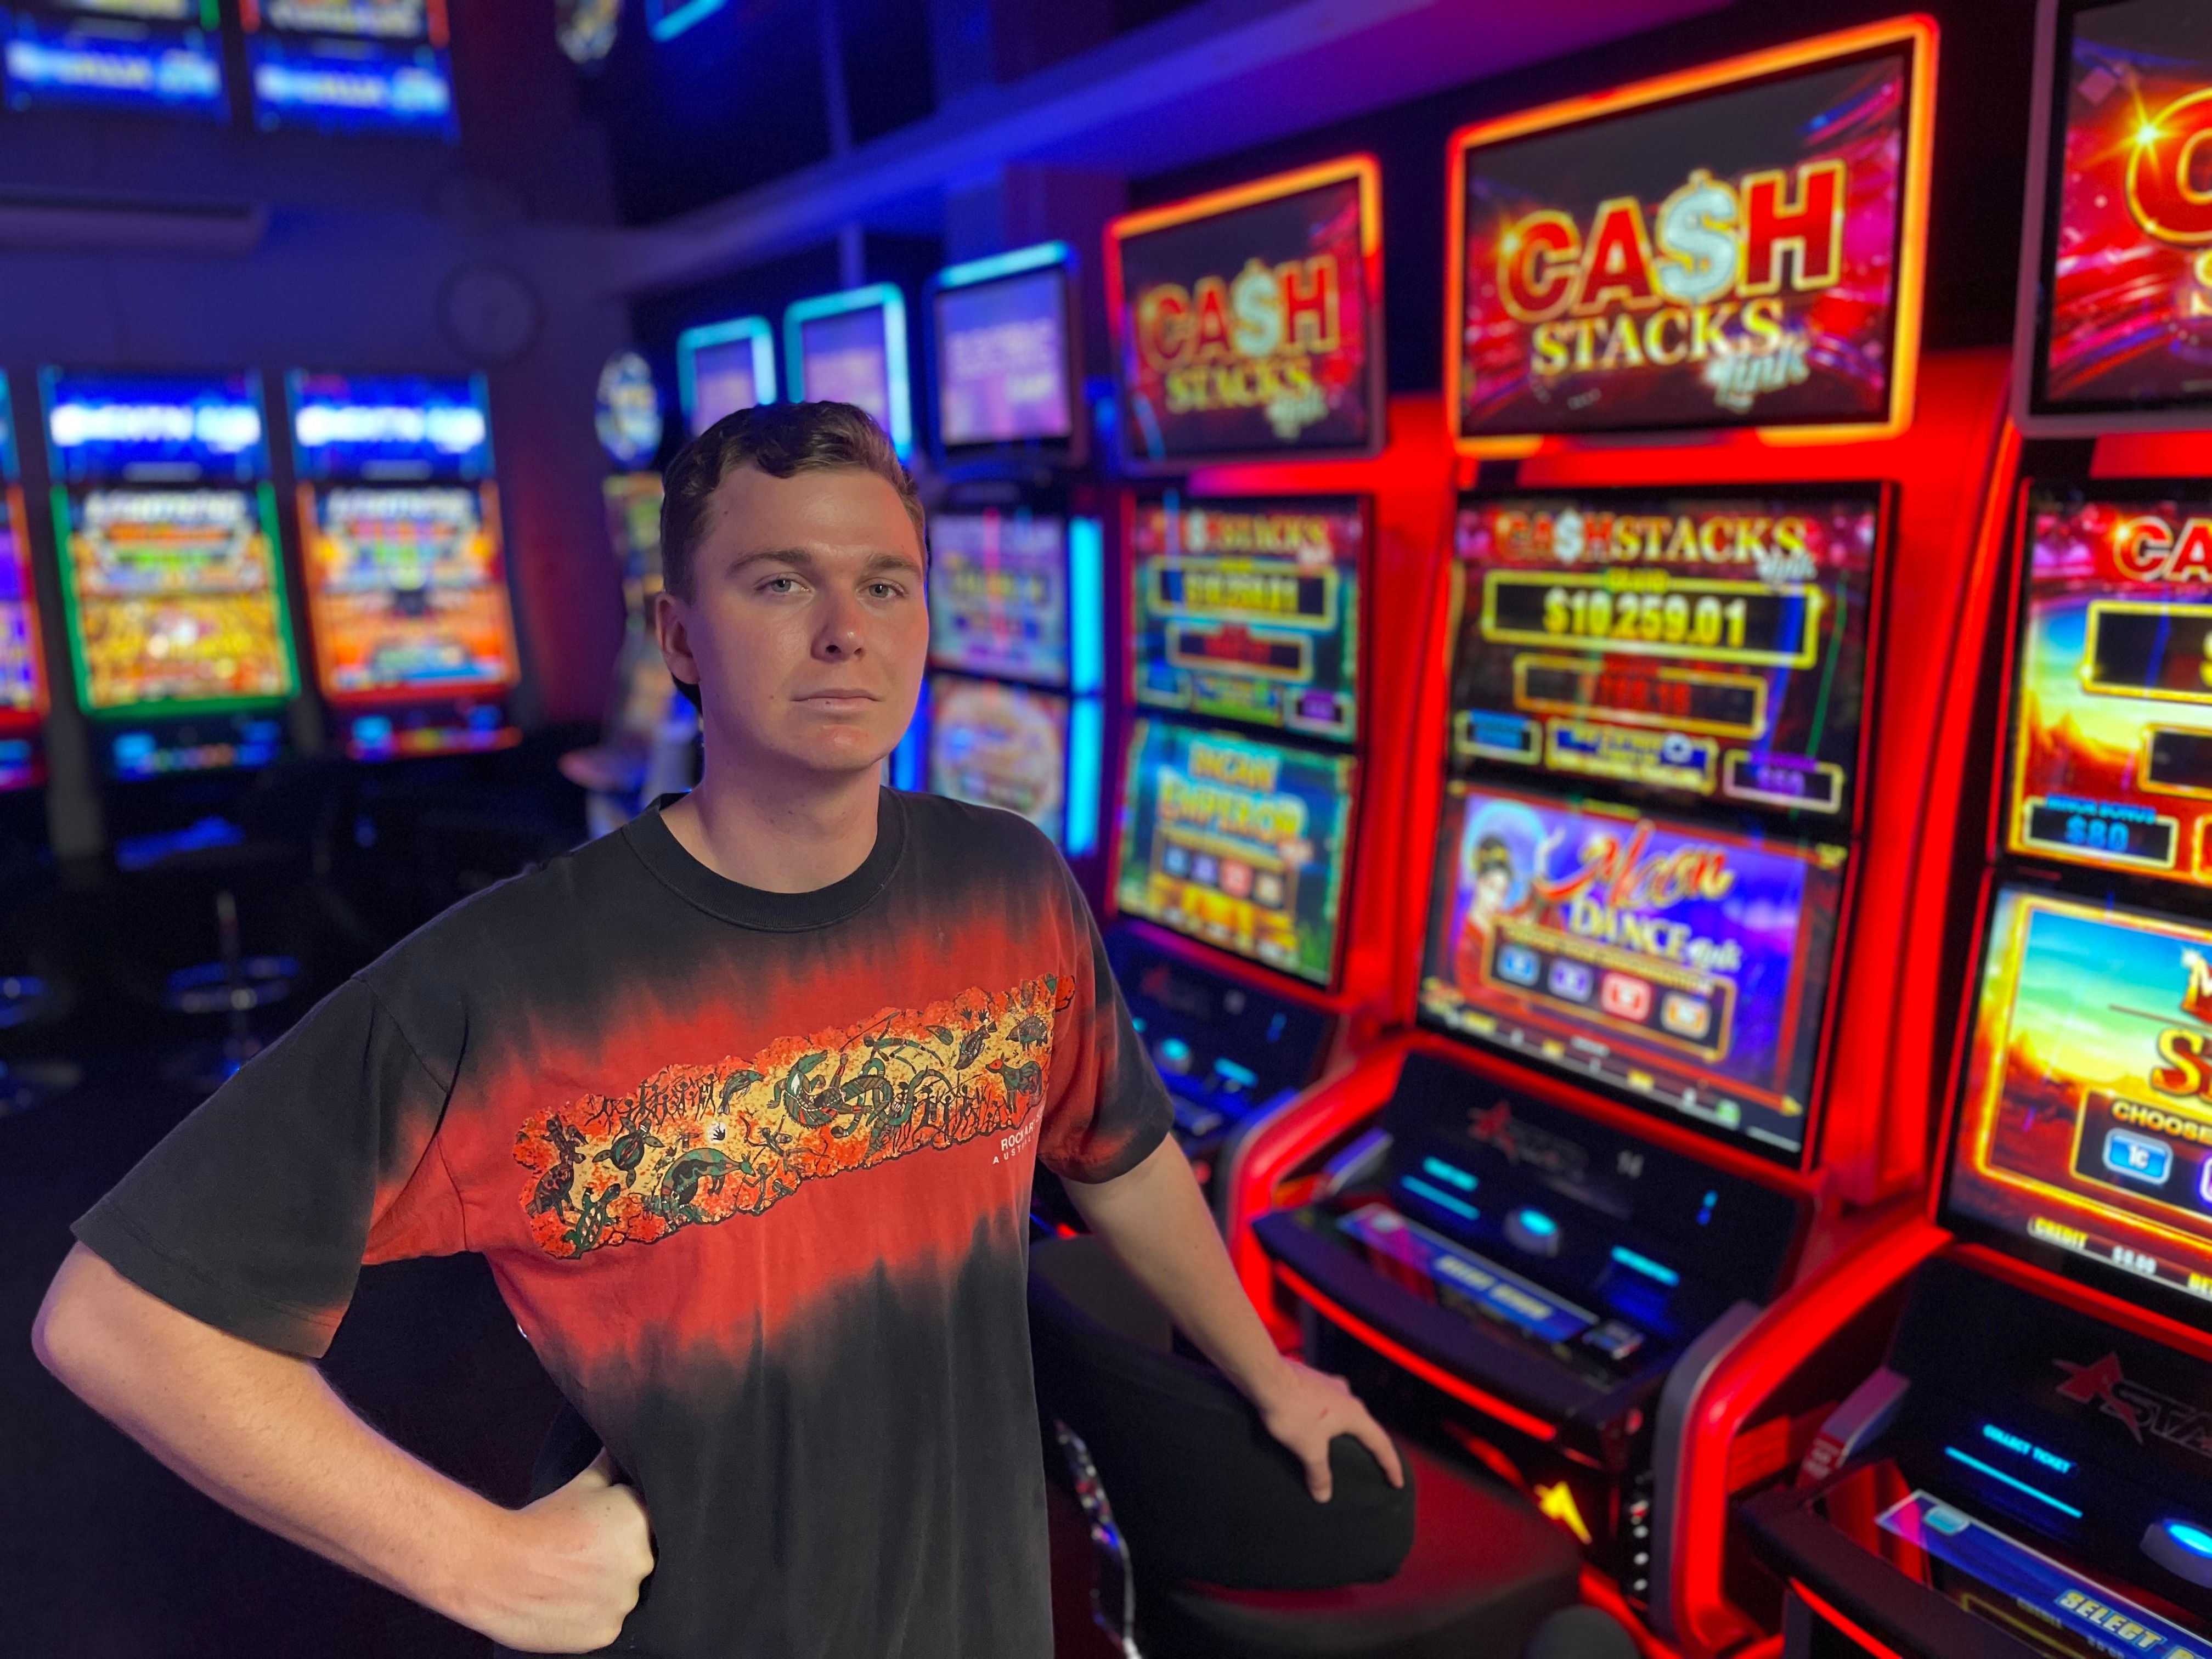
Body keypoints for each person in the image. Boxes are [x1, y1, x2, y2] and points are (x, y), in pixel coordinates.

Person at [32, 400, 1402, 1658]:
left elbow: (1119, 1151)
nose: (846, 630)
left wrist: (1266, 1370)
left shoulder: (1009, 882)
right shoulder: (519, 974)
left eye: (885, 584)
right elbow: (120, 1317)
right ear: (679, 636)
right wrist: (479, 1562)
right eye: (780, 582)